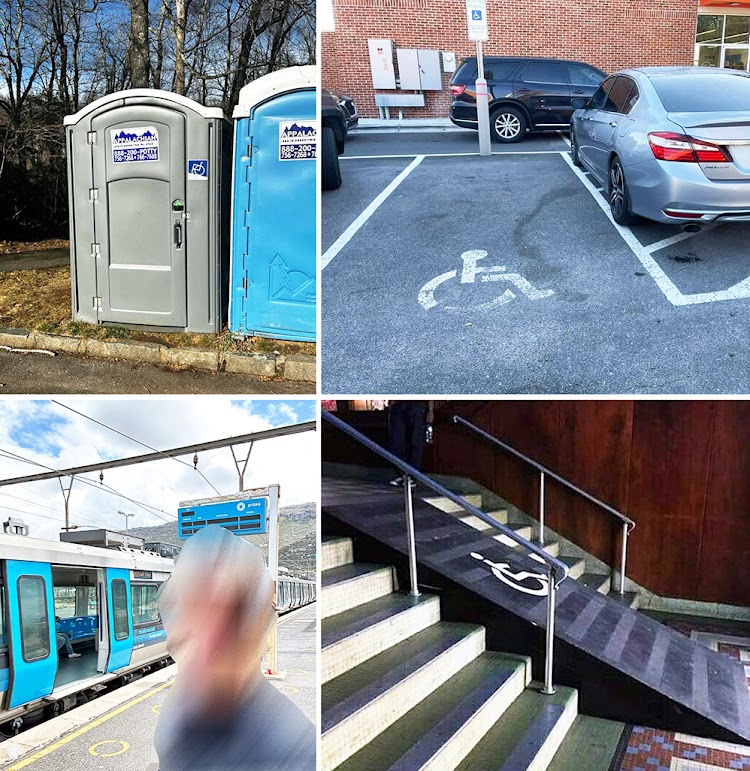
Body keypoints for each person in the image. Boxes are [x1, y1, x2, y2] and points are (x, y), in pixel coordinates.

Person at [153, 524, 315, 771]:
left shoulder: (294, 748)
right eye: (192, 607)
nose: (207, 634)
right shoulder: (187, 704)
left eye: (227, 613)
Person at [388, 400, 434, 487]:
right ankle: (402, 474)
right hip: (397, 404)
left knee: (415, 441)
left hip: (417, 403)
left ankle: (412, 476)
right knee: (396, 442)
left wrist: (430, 409)